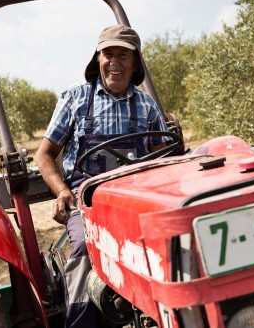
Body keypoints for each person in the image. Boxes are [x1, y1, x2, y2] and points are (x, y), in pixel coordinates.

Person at [35, 25, 168, 327]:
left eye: (123, 55)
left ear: (135, 64)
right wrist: (61, 191)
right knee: (83, 247)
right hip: (87, 198)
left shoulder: (146, 105)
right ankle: (80, 322)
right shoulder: (76, 99)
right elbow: (44, 154)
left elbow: (163, 158)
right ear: (98, 59)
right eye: (108, 54)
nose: (115, 62)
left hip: (134, 197)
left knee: (167, 238)